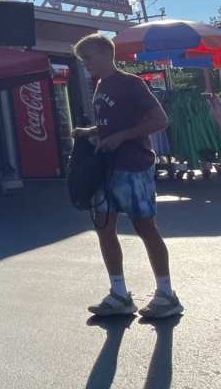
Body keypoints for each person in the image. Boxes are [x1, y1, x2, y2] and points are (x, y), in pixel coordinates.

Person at [72, 34, 182, 319]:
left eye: (88, 57)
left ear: (105, 53)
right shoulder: (100, 85)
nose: (85, 64)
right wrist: (91, 132)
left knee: (145, 227)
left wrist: (120, 137)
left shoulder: (130, 83)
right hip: (106, 168)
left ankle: (167, 295)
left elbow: (160, 120)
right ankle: (119, 294)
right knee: (103, 227)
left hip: (133, 165)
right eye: (82, 59)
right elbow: (112, 123)